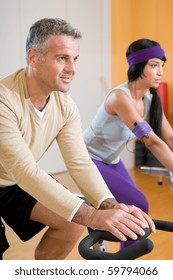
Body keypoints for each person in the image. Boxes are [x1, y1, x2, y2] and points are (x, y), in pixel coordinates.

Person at [0, 19, 155, 260]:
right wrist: (92, 216)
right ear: (33, 58)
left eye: (75, 59)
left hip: (12, 182)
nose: (72, 68)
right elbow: (24, 170)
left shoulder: (65, 106)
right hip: (17, 174)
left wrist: (108, 204)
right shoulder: (4, 100)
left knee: (71, 221)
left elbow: (80, 161)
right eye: (62, 58)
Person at [83, 38, 173, 249]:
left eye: (162, 66)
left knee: (135, 209)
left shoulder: (148, 101)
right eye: (154, 65)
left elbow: (169, 137)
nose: (160, 72)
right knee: (139, 205)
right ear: (137, 66)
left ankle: (126, 259)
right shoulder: (119, 97)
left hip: (111, 160)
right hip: (87, 158)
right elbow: (151, 141)